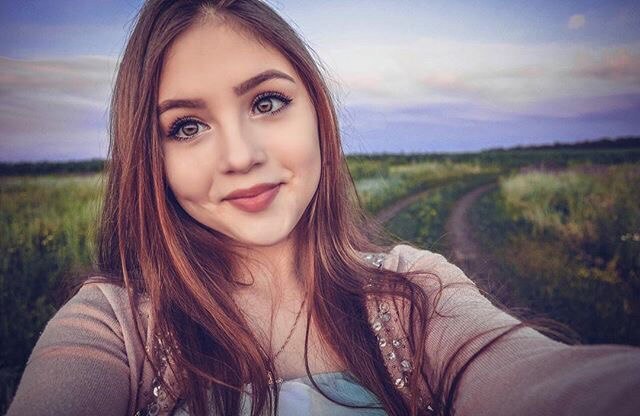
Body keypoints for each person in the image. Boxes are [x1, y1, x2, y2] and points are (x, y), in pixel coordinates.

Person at [7, 0, 640, 415]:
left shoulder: (414, 294)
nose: (240, 156)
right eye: (186, 127)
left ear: (317, 111)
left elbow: (547, 382)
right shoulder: (114, 327)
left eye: (266, 103)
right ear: (151, 157)